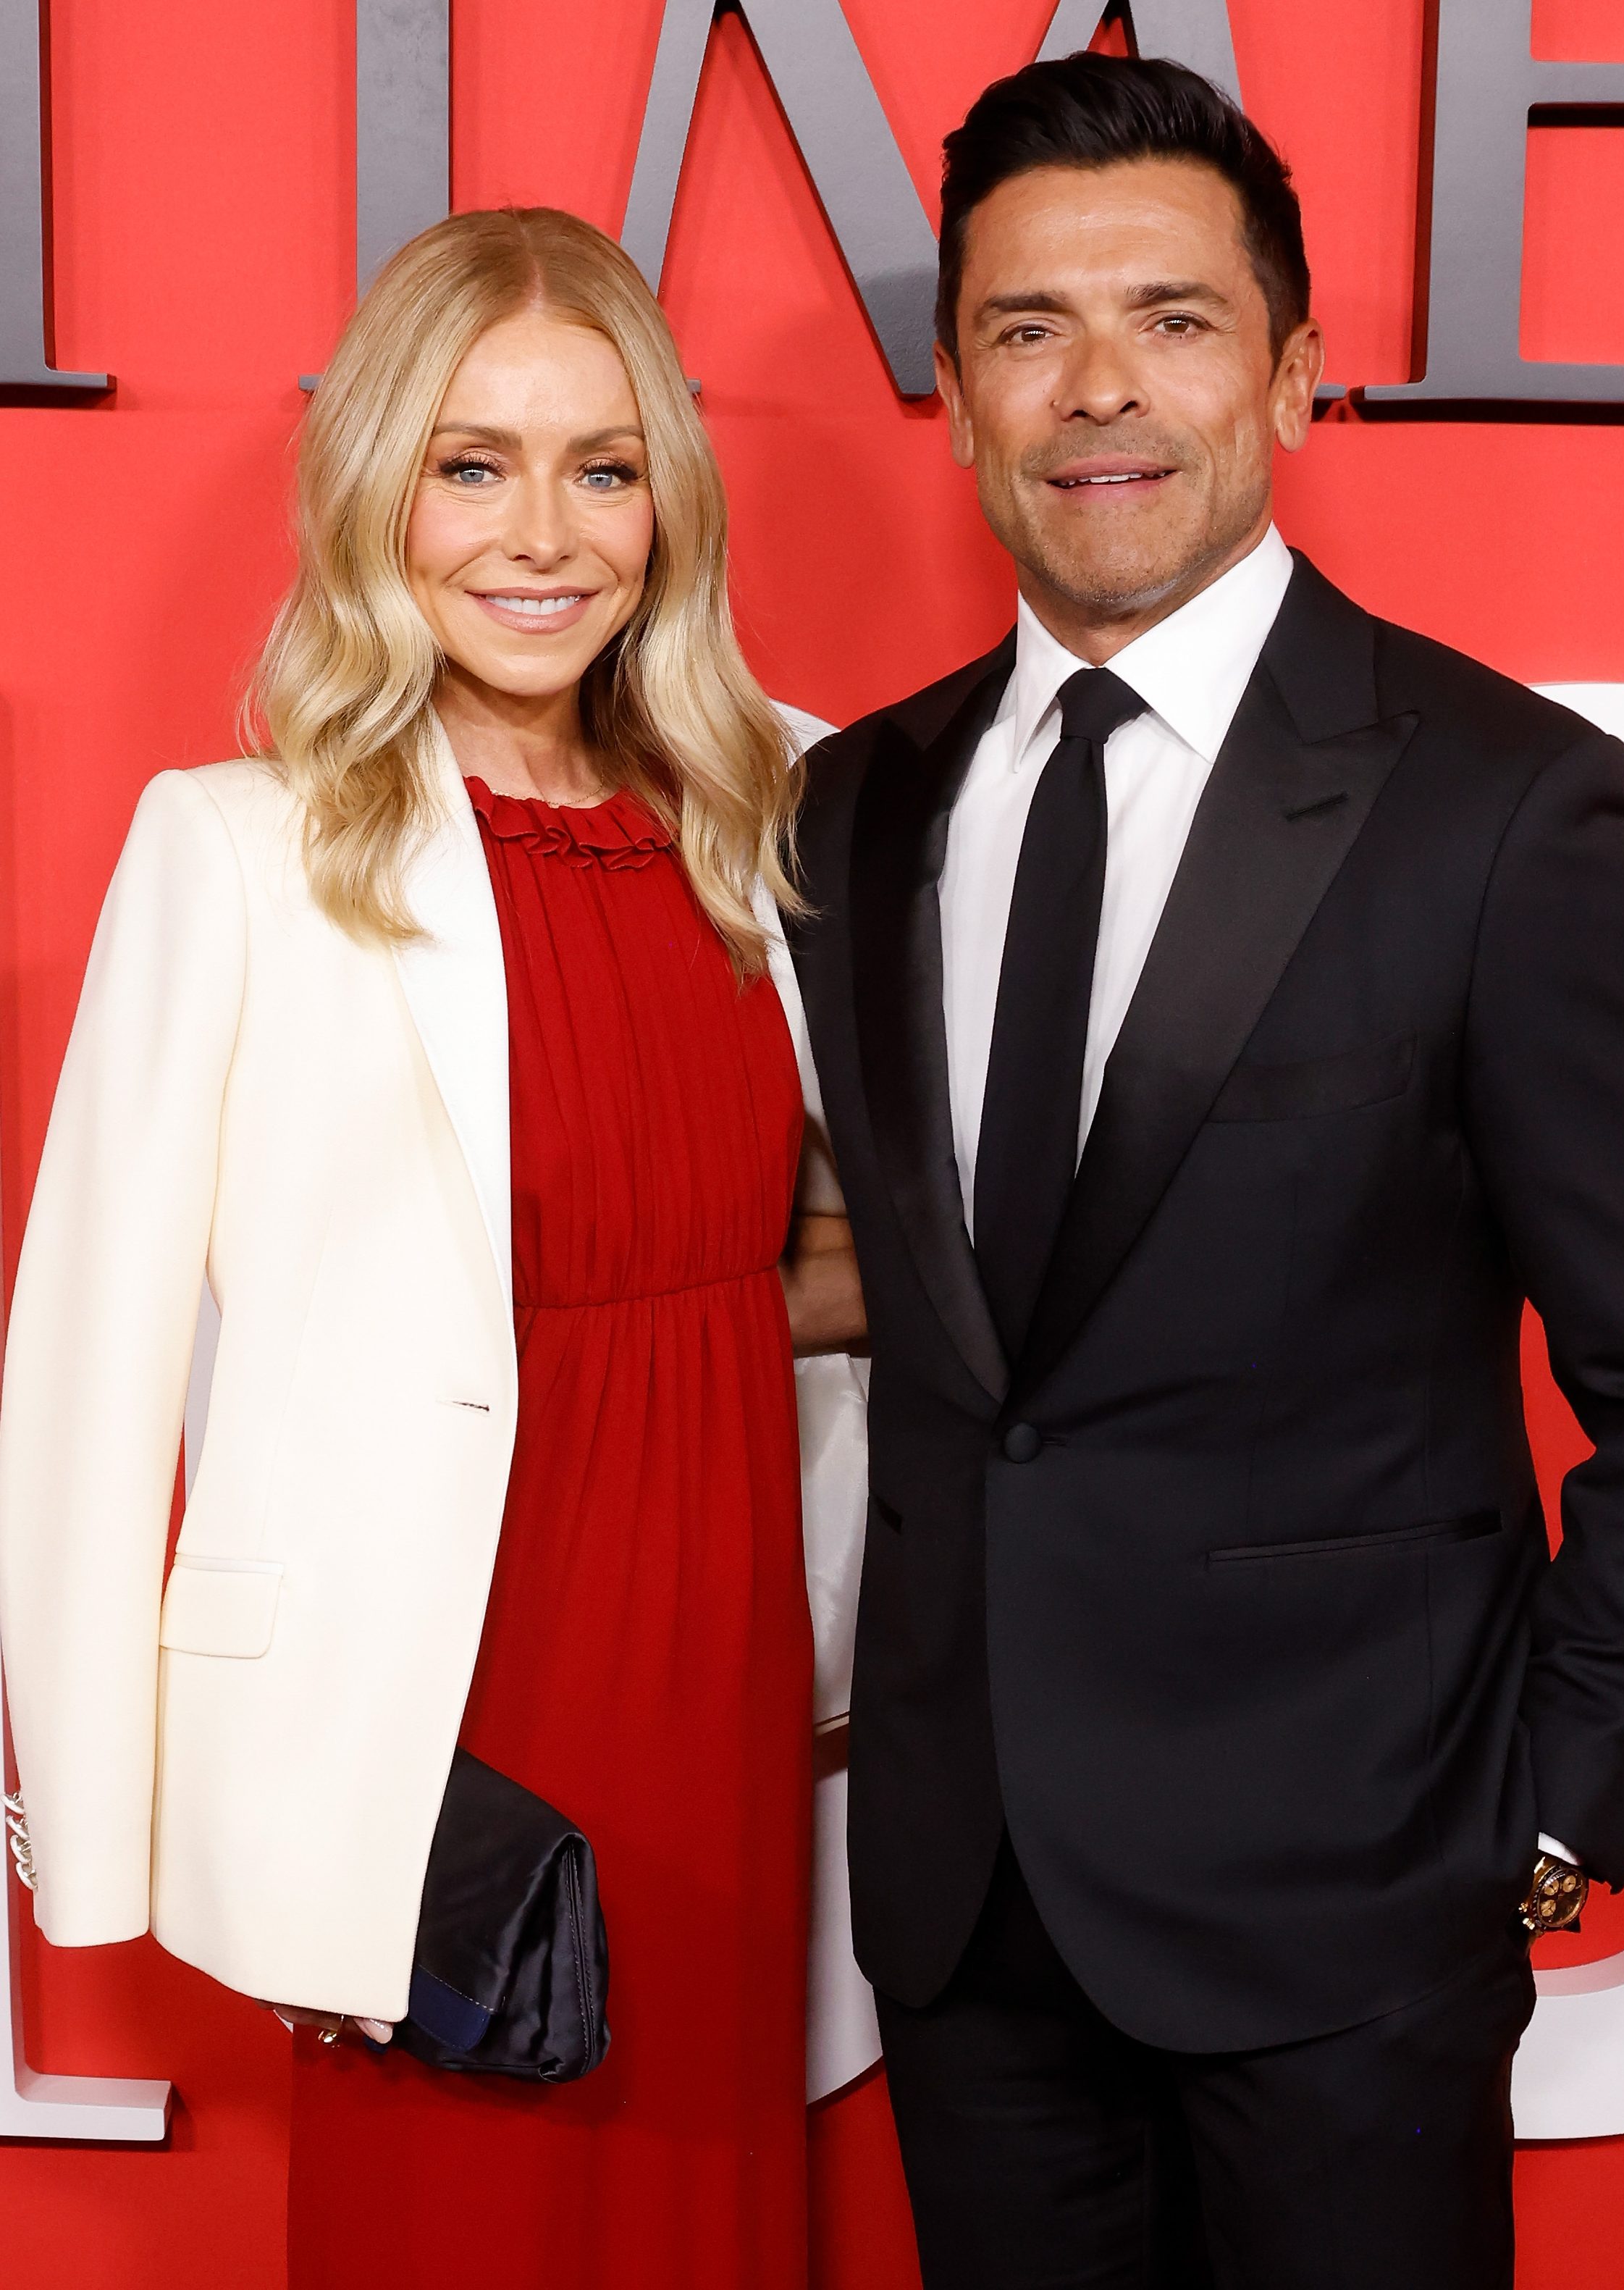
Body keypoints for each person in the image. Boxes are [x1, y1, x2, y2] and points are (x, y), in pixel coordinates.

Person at [786, 54, 1624, 2290]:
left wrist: (1554, 1807)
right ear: (954, 393)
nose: (1098, 388)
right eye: (1027, 328)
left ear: (1292, 372)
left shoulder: (1505, 807)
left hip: (1354, 1911)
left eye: (1173, 318)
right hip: (963, 1912)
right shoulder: (855, 808)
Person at [0, 206, 849, 2290]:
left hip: (734, 1656)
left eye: (602, 466)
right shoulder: (241, 848)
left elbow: (869, 1251)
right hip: (427, 1694)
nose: (541, 533)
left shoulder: (777, 816)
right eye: (474, 464)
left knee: (707, 2209)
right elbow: (90, 1373)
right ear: (380, 488)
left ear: (668, 500)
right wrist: (113, 1840)